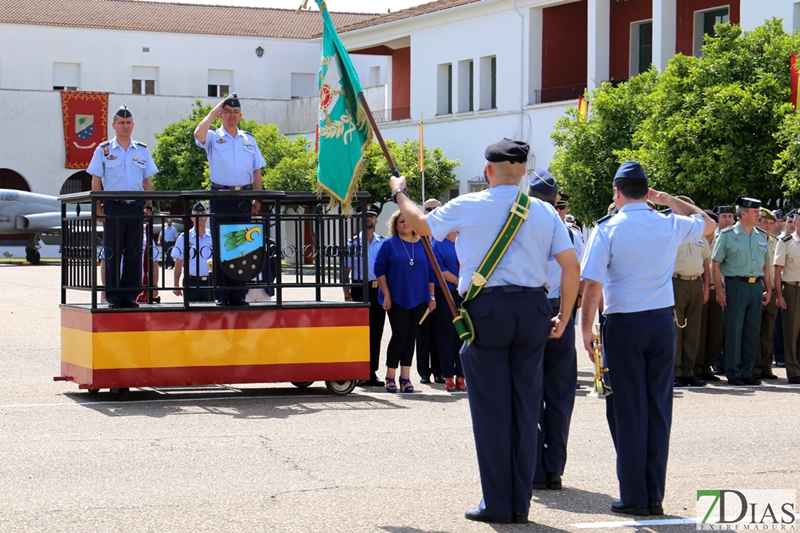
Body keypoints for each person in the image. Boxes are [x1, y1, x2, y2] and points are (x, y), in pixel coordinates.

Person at [390, 139, 580, 524]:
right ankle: (521, 503)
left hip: (486, 312)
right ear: (524, 172)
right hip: (533, 310)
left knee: (492, 410)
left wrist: (400, 193)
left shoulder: (468, 205)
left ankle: (498, 503)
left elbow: (422, 224)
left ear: (488, 172)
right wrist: (564, 314)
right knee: (526, 408)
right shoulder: (544, 212)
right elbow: (571, 267)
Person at [580, 162, 714, 517]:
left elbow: (592, 284)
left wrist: (585, 329)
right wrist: (669, 200)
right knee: (658, 408)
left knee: (626, 409)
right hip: (660, 324)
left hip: (623, 324)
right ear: (646, 191)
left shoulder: (607, 229)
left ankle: (635, 495)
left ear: (617, 191)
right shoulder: (669, 222)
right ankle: (654, 494)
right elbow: (711, 224)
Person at [526, 167, 582, 492]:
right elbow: (577, 274)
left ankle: (535, 467)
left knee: (530, 390)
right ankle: (554, 469)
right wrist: (566, 315)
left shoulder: (522, 226)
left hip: (533, 308)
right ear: (556, 200)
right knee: (560, 394)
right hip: (562, 309)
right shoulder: (569, 233)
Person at [194, 93, 265, 307]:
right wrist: (213, 111)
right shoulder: (215, 137)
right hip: (221, 196)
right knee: (223, 245)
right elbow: (198, 134)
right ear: (221, 114)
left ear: (240, 115)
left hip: (243, 196)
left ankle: (238, 294)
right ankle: (223, 295)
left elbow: (257, 170)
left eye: (235, 112)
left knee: (242, 245)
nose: (232, 116)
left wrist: (257, 197)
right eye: (227, 112)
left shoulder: (248, 139)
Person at [88, 104, 157, 309]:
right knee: (112, 252)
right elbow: (96, 179)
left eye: (128, 123)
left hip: (135, 207)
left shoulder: (142, 150)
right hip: (114, 207)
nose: (125, 126)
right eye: (121, 123)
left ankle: (130, 295)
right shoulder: (104, 150)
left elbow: (147, 182)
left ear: (133, 125)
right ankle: (114, 296)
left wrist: (149, 207)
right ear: (114, 125)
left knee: (134, 253)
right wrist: (98, 207)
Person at [711, 196, 772, 386]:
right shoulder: (728, 235)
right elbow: (715, 263)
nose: (759, 215)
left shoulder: (761, 236)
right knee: (734, 330)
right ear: (743, 213)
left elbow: (767, 265)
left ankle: (747, 370)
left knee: (752, 330)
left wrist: (768, 289)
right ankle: (733, 371)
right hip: (736, 285)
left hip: (756, 286)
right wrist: (720, 291)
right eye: (755, 212)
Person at [374, 211, 436, 394]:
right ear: (396, 225)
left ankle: (405, 377)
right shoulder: (388, 244)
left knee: (412, 335)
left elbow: (432, 272)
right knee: (400, 333)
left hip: (419, 297)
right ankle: (390, 375)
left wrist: (432, 297)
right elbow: (379, 269)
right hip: (397, 297)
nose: (405, 224)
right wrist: (386, 294)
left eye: (408, 221)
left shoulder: (424, 244)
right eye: (401, 222)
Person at [342, 203, 386, 387]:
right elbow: (345, 272)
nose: (368, 219)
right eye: (364, 216)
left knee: (376, 333)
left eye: (371, 216)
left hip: (378, 290)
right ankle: (359, 371)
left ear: (376, 220)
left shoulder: (383, 243)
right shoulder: (352, 244)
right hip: (360, 289)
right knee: (359, 333)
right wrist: (347, 295)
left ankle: (371, 372)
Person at [671, 196, 711, 387]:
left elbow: (706, 263)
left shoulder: (699, 235)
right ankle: (676, 371)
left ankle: (689, 371)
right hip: (676, 282)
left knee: (693, 330)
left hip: (695, 283)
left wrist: (705, 288)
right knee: (677, 329)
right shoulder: (672, 231)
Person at [431, 230, 463, 392]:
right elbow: (439, 269)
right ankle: (449, 375)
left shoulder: (467, 239)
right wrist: (458, 281)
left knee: (464, 333)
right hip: (446, 292)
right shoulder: (438, 243)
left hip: (467, 292)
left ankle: (462, 376)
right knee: (447, 334)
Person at [417, 198, 444, 384]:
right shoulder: (416, 236)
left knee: (439, 333)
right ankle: (423, 372)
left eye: (436, 208)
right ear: (423, 211)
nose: (432, 211)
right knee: (423, 332)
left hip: (443, 291)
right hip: (421, 291)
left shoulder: (446, 235)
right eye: (429, 209)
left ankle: (439, 370)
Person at [695, 209, 723, 382]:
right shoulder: (697, 238)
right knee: (699, 331)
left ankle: (707, 366)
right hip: (700, 289)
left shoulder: (722, 239)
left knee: (714, 331)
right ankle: (697, 366)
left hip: (717, 290)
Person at [753, 209, 780, 380]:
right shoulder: (754, 239)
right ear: (758, 222)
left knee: (768, 331)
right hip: (756, 287)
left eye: (771, 223)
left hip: (773, 290)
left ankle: (766, 366)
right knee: (754, 330)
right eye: (765, 222)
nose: (768, 226)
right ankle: (754, 368)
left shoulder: (776, 242)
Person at [773, 222, 800, 384]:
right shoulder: (786, 242)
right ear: (796, 223)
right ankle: (793, 370)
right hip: (792, 289)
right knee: (791, 332)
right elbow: (777, 271)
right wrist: (779, 295)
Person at [172, 203, 214, 303]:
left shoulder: (213, 236)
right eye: (196, 213)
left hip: (210, 282)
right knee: (192, 316)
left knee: (211, 315)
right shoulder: (184, 237)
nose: (200, 216)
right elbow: (179, 262)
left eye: (202, 213)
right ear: (191, 218)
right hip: (191, 282)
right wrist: (176, 284)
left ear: (207, 217)